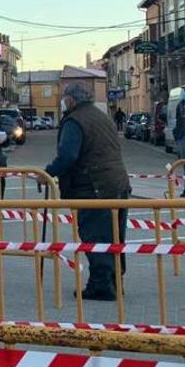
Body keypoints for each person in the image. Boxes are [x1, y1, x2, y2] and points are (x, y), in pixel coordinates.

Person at [45, 82, 131, 301]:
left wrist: (47, 173)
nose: (64, 102)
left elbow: (68, 156)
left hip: (94, 188)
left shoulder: (75, 120)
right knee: (115, 237)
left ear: (71, 99)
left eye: (65, 98)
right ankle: (115, 281)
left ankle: (101, 285)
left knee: (96, 237)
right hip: (117, 185)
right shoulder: (101, 116)